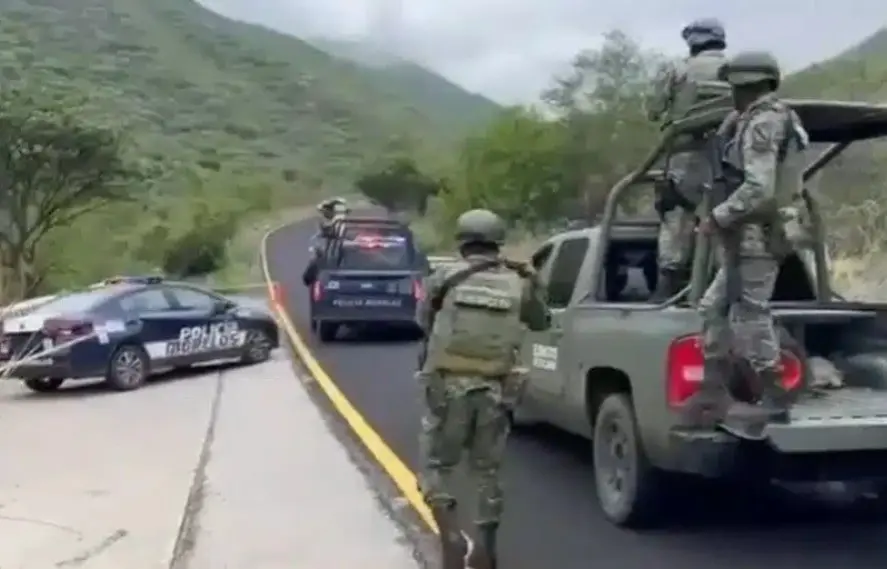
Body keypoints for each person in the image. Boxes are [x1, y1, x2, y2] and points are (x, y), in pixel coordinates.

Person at [416, 209, 550, 569]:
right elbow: (541, 321)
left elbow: (422, 320)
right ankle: (486, 550)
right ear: (497, 243)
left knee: (435, 466)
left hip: (447, 387)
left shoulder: (444, 276)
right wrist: (533, 280)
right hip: (495, 390)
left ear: (463, 243)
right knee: (486, 471)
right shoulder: (519, 282)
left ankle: (451, 537)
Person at [688, 51, 809, 440]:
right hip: (750, 233)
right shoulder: (755, 119)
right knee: (712, 308)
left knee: (751, 314)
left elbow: (759, 187)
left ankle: (776, 395)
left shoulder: (765, 122)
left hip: (758, 233)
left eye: (734, 88)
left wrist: (719, 216)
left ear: (745, 85)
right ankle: (713, 390)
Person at [649, 18, 731, 300]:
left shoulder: (678, 68)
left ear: (693, 41)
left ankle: (666, 292)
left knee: (676, 221)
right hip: (729, 163)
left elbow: (654, 109)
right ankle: (724, 289)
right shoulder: (740, 71)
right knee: (725, 226)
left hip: (686, 161)